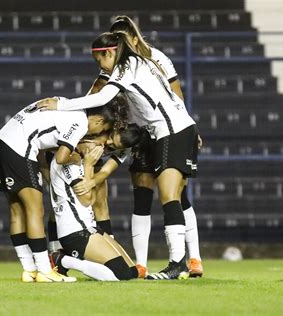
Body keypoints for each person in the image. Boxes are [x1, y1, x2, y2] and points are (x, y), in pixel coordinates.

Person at [35, 31, 198, 280]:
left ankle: (181, 262)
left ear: (112, 51)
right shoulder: (137, 69)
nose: (99, 66)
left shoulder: (128, 66)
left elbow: (102, 97)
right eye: (108, 142)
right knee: (170, 196)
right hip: (175, 128)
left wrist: (62, 104)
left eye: (100, 60)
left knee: (170, 196)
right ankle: (58, 251)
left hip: (171, 131)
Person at [82, 16, 204, 278]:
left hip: (168, 129)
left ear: (132, 40)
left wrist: (189, 124)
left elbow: (175, 95)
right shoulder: (115, 67)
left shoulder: (151, 59)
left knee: (175, 195)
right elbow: (96, 96)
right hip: (144, 133)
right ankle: (144, 264)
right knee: (146, 196)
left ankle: (190, 259)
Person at [0, 98, 116, 282]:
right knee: (35, 210)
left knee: (16, 211)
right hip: (19, 149)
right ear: (99, 121)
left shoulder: (63, 105)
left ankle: (29, 270)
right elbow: (61, 158)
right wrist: (79, 160)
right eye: (103, 131)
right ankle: (44, 270)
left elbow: (42, 145)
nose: (98, 135)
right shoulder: (80, 122)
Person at [48, 138, 138, 281]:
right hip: (75, 232)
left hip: (89, 227)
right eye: (96, 143)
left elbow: (93, 198)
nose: (101, 148)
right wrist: (89, 165)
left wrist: (88, 166)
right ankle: (62, 260)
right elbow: (87, 200)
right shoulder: (68, 163)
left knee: (133, 272)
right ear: (82, 139)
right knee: (122, 274)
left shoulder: (79, 161)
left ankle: (70, 259)